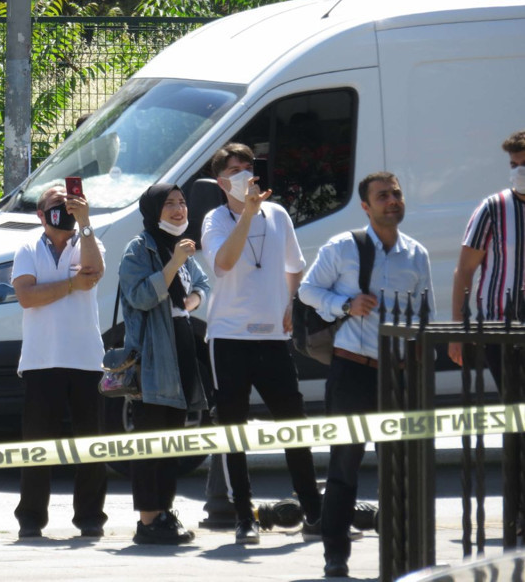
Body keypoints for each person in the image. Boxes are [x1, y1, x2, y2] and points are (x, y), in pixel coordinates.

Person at [299, 171, 434, 577]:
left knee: (399, 471)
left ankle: (398, 557)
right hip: (352, 370)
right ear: (366, 206)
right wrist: (345, 304)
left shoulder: (417, 254)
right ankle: (335, 558)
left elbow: (424, 315)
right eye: (383, 196)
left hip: (397, 375)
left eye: (396, 194)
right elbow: (307, 290)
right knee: (344, 467)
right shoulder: (344, 247)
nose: (392, 201)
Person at [200, 142, 323, 545]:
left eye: (249, 166)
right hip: (229, 337)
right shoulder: (215, 219)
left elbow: (295, 267)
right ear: (222, 181)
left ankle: (313, 508)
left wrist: (288, 303)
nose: (246, 174)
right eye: (236, 169)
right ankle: (243, 515)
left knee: (293, 424)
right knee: (233, 429)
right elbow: (223, 264)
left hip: (272, 336)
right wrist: (247, 214)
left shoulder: (278, 214)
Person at [11, 184, 108, 539]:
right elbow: (26, 296)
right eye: (56, 206)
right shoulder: (26, 248)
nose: (63, 211)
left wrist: (84, 222)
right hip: (41, 360)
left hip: (85, 360)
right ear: (41, 215)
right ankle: (31, 519)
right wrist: (69, 286)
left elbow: (93, 272)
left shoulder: (88, 240)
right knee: (37, 446)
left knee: (91, 445)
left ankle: (90, 518)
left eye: (68, 205)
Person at [119, 183, 209, 545]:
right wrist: (173, 263)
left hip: (182, 344)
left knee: (173, 439)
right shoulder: (140, 248)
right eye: (169, 203)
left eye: (182, 203)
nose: (178, 209)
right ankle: (147, 520)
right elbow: (139, 296)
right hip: (155, 352)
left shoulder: (182, 246)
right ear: (154, 210)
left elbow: (201, 283)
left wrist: (194, 300)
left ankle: (165, 512)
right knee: (150, 439)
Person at [449, 130, 525, 387]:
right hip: (499, 326)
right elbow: (465, 270)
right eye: (514, 165)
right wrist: (459, 328)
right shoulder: (493, 208)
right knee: (515, 408)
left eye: (524, 164)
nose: (519, 171)